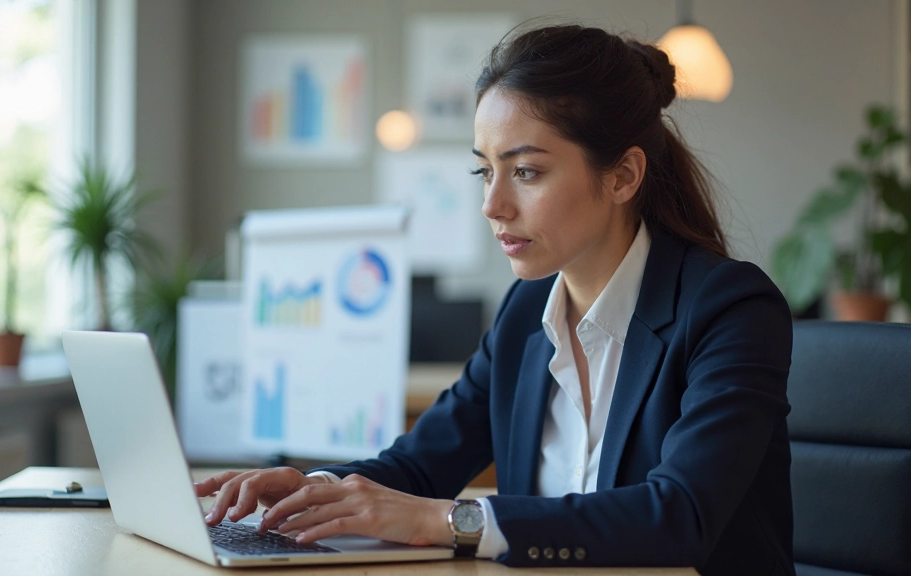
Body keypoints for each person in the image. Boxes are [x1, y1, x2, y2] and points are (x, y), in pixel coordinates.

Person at [195, 23, 795, 575]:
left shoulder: (729, 309)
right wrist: (311, 487)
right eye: (484, 171)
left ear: (622, 177)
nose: (493, 205)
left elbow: (680, 516)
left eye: (527, 172)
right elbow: (418, 467)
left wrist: (445, 520)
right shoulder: (524, 316)